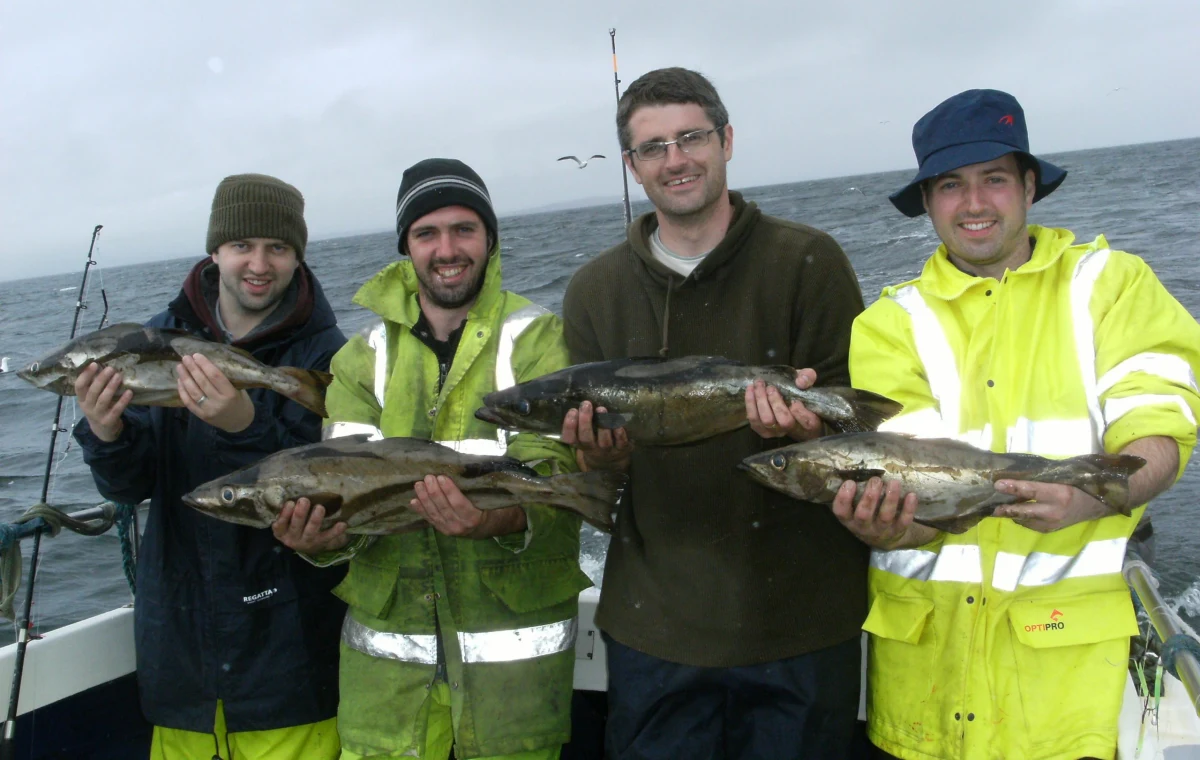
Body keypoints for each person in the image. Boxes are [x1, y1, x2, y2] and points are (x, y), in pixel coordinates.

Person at [842, 88, 1200, 760]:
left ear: (1030, 187)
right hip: (922, 701)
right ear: (927, 201)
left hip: (1067, 700)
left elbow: (1161, 431)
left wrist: (1091, 496)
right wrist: (878, 520)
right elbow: (917, 510)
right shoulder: (888, 325)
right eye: (950, 185)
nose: (973, 204)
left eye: (994, 180)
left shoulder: (1112, 286)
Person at [560, 67, 869, 758]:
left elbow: (864, 428)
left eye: (691, 137)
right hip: (655, 631)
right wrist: (598, 456)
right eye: (653, 147)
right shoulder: (592, 291)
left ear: (726, 139)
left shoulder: (810, 261)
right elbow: (599, 479)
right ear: (632, 165)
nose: (675, 160)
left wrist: (813, 429)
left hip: (805, 627)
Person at [273, 158, 592, 760]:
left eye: (463, 229)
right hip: (385, 697)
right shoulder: (359, 359)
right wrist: (319, 540)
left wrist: (492, 519)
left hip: (513, 697)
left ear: (490, 238)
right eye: (427, 233)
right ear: (406, 247)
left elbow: (565, 478)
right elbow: (338, 498)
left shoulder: (540, 337)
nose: (447, 249)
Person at [72, 173, 348, 759]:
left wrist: (244, 427)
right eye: (242, 245)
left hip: (290, 670)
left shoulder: (328, 359)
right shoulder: (154, 341)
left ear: (297, 257)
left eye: (277, 248)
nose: (258, 263)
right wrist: (106, 432)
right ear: (215, 250)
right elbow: (128, 486)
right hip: (181, 670)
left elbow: (331, 488)